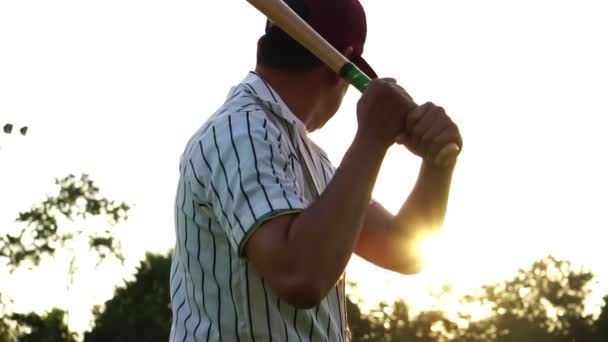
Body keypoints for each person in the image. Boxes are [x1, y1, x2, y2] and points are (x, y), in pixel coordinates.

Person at [169, 0, 463, 341]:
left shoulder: (303, 154)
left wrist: (438, 165)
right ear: (339, 72)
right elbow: (300, 276)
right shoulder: (241, 131)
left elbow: (404, 250)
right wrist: (371, 137)